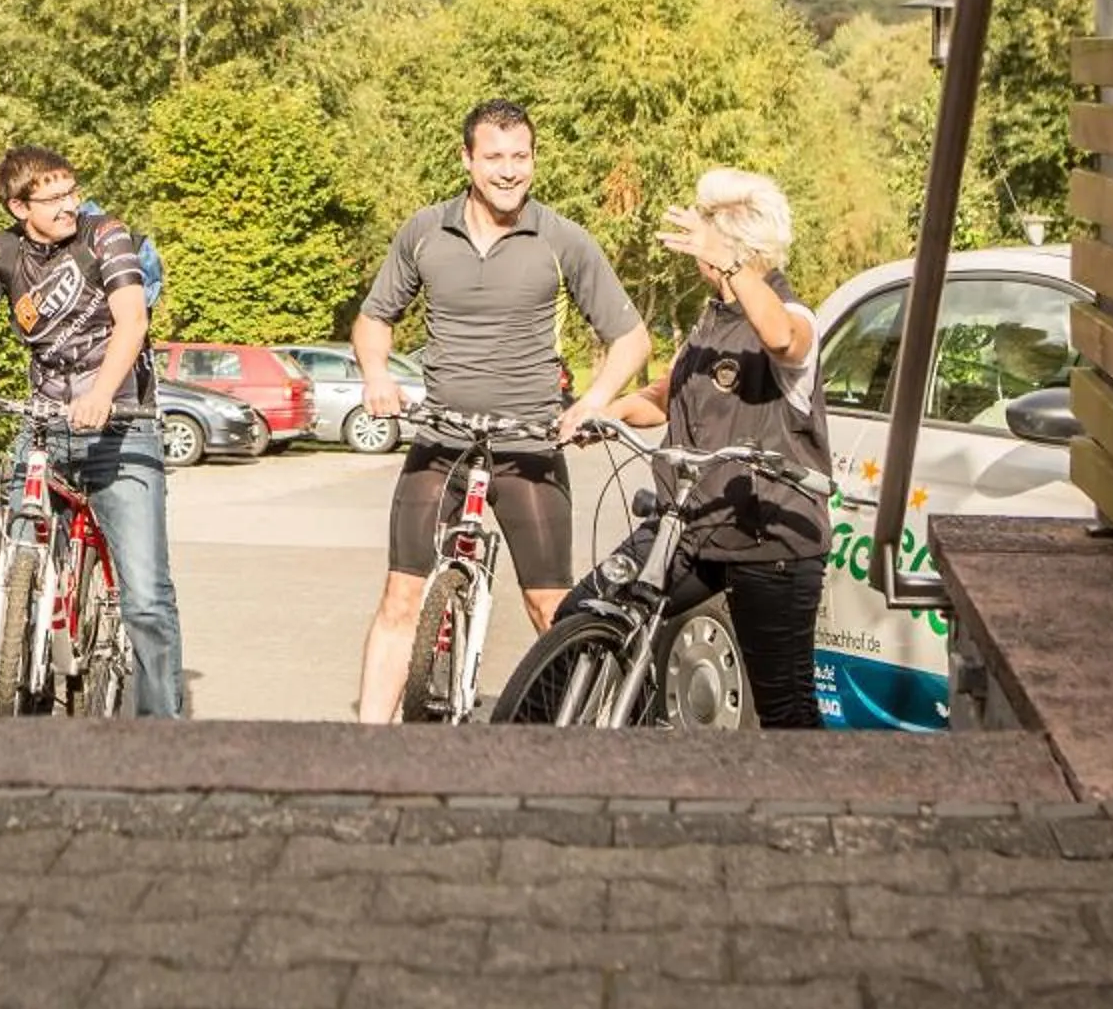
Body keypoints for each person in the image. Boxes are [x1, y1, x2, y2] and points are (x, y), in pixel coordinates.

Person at [351, 98, 655, 723]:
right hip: (442, 438)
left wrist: (592, 403)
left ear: (534, 160)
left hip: (529, 445)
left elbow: (632, 340)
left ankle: (565, 742)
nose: (509, 171)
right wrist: (377, 375)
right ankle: (366, 749)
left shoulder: (562, 239)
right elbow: (374, 318)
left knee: (552, 607)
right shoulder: (425, 231)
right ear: (467, 160)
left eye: (520, 157)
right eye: (494, 158)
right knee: (400, 596)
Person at [0, 144, 186, 717]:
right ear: (20, 206)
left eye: (72, 192)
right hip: (46, 425)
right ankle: (25, 661)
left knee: (145, 598)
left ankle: (164, 735)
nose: (71, 205)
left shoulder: (105, 235)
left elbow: (132, 320)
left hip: (120, 427)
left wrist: (100, 395)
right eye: (55, 198)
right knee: (20, 542)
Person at [571, 166, 830, 730]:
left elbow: (782, 338)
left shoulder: (793, 315)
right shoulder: (711, 322)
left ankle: (818, 813)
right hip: (687, 525)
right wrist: (604, 414)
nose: (698, 254)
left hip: (770, 540)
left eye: (710, 243)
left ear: (737, 249)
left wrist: (730, 261)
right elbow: (664, 398)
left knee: (786, 706)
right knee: (587, 615)